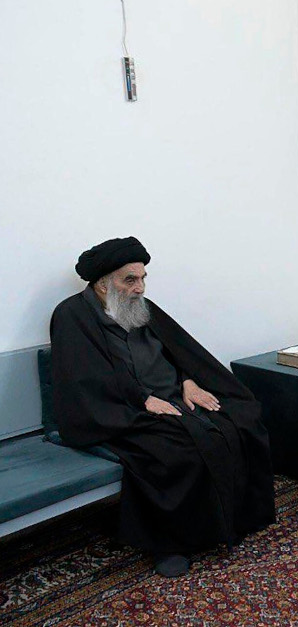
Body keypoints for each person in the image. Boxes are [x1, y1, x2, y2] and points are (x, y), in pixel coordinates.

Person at [50, 237, 275, 577]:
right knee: (178, 450)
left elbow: (177, 351)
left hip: (172, 396)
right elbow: (83, 380)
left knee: (240, 418)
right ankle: (171, 544)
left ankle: (239, 518)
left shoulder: (140, 307)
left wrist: (188, 380)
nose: (140, 288)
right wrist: (142, 400)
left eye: (142, 278)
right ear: (101, 283)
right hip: (119, 410)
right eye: (130, 279)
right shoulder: (72, 315)